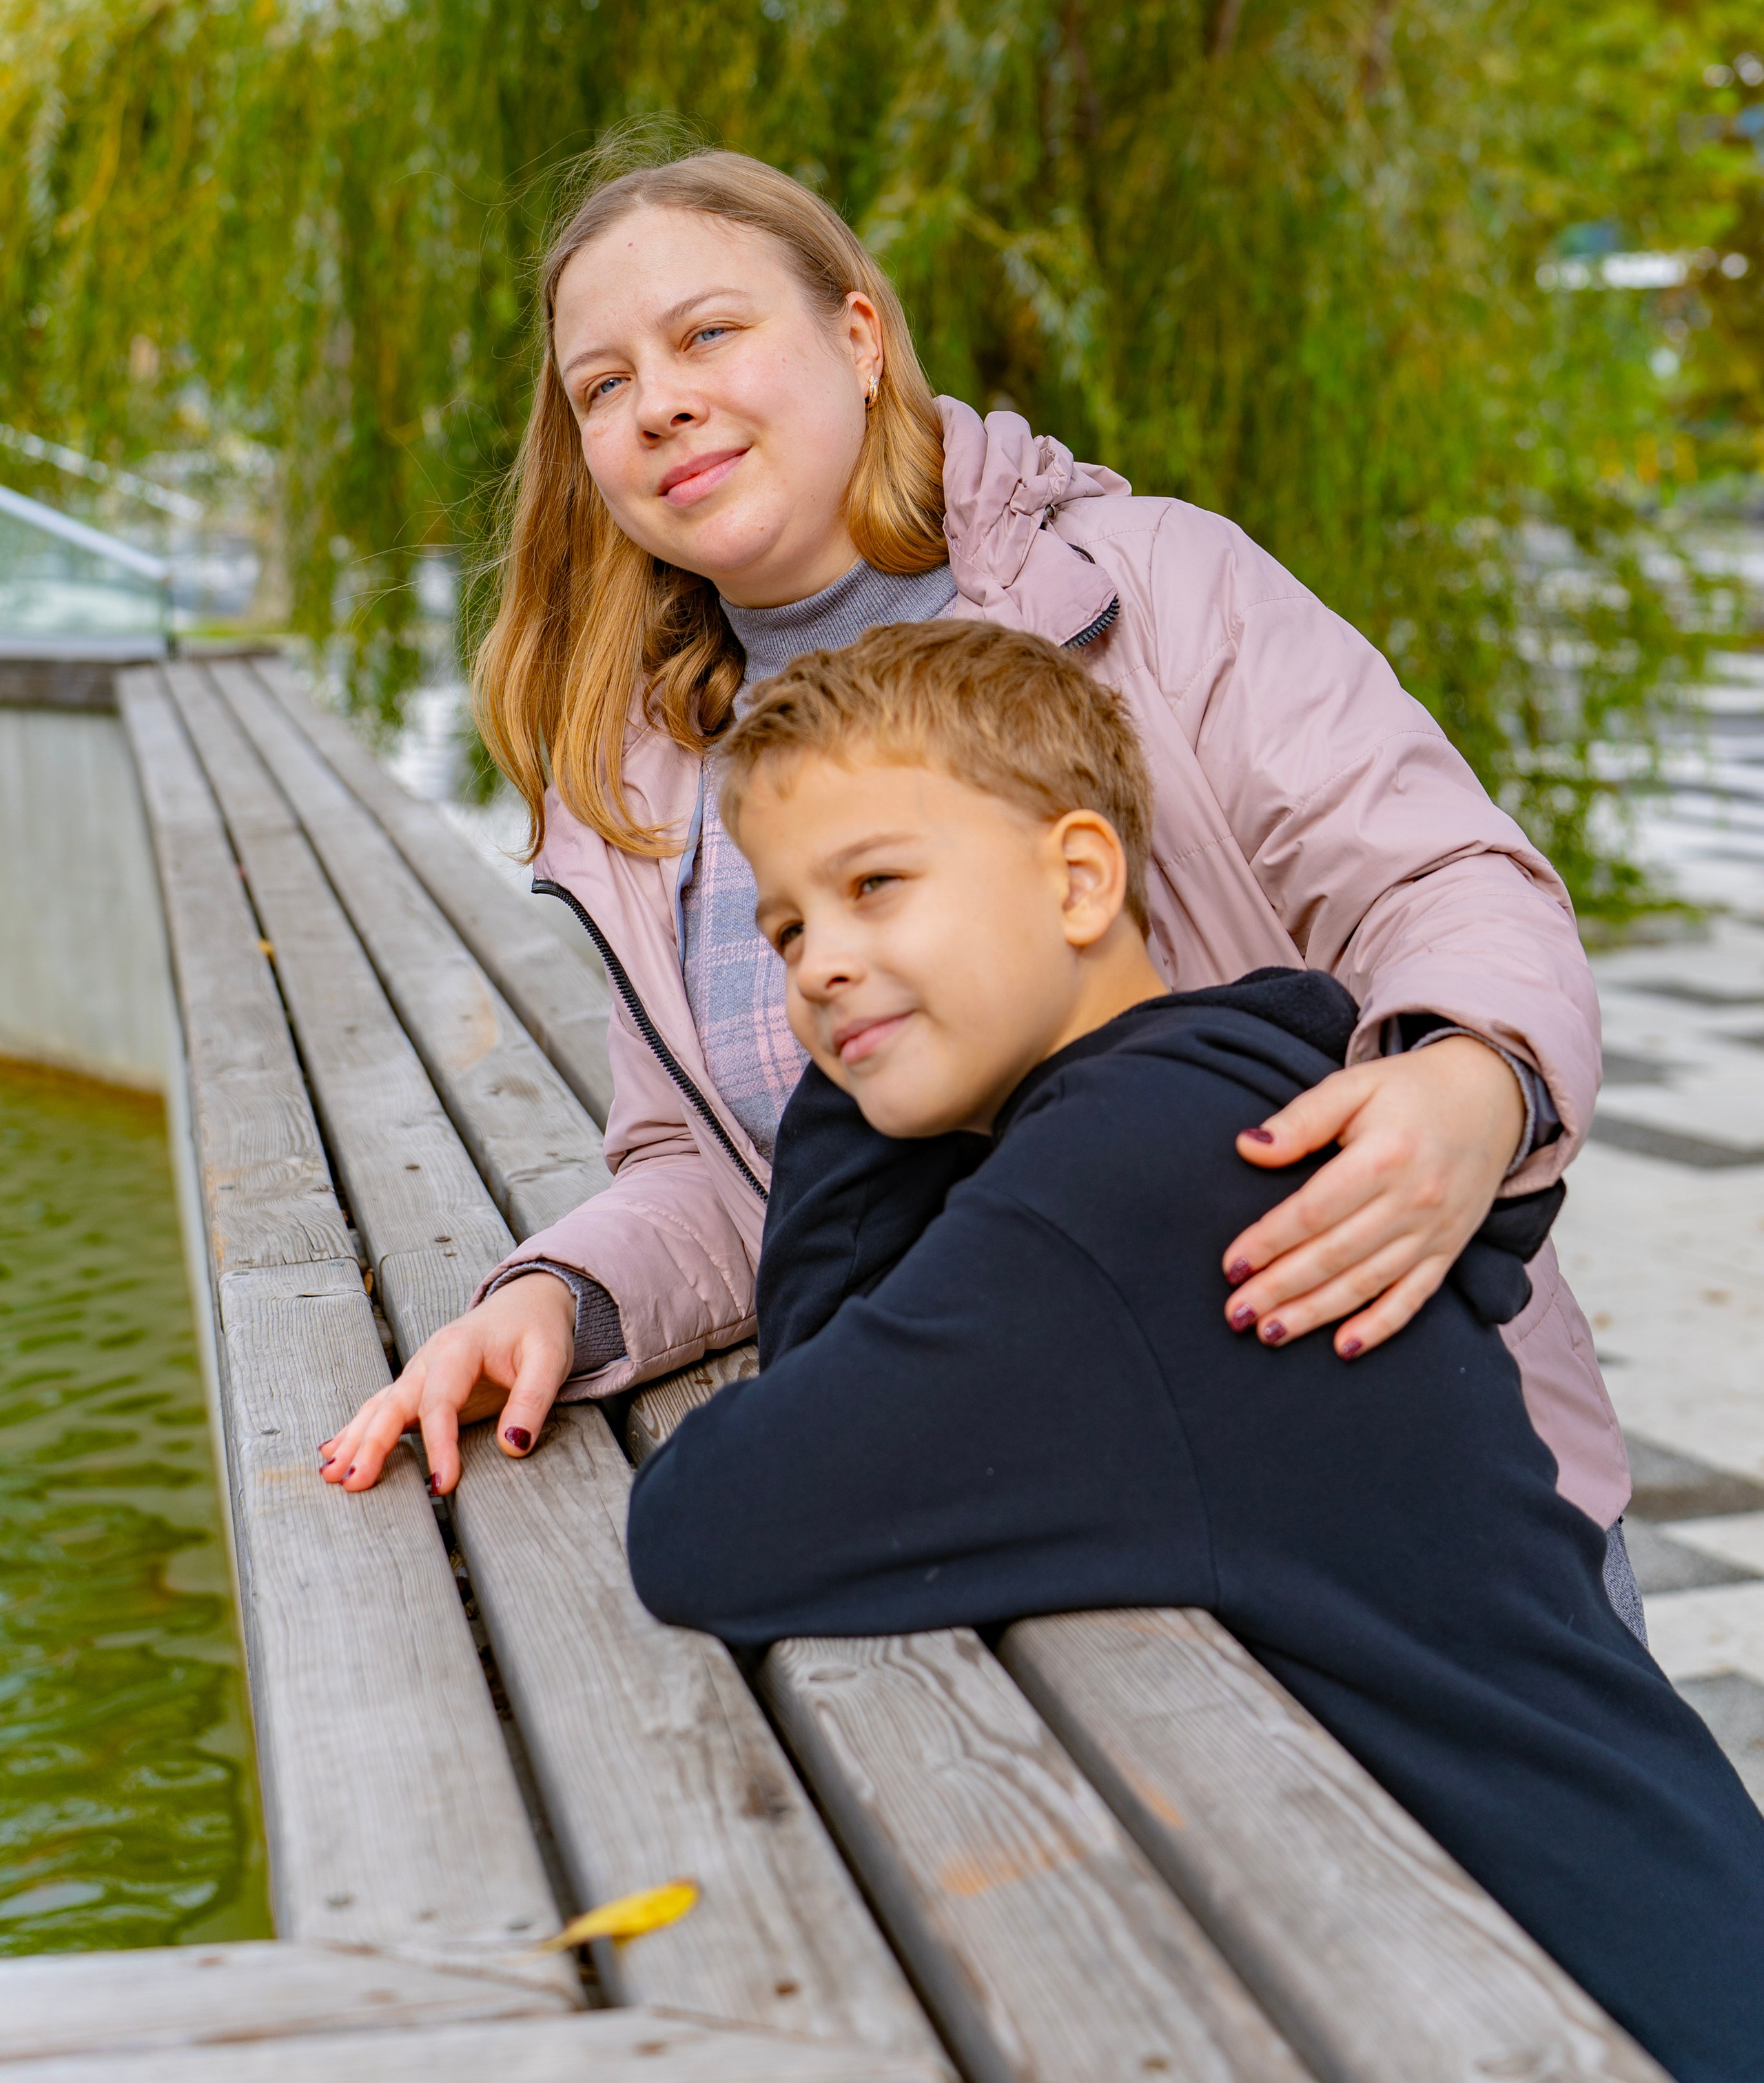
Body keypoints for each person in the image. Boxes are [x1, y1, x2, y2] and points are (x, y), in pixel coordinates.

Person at [318, 143, 1630, 1621]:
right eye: (600, 386)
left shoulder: (1148, 588)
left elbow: (1448, 882)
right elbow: (711, 1172)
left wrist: (1469, 1078)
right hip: (1043, 1543)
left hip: (1363, 1469)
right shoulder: (648, 775)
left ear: (857, 339)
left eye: (706, 335)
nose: (657, 402)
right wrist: (557, 1302)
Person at [625, 624, 1764, 2083]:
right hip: (1548, 1928)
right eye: (787, 932)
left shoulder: (1133, 1185)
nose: (822, 969)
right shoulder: (1172, 1106)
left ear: (1080, 879)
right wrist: (874, 1077)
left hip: (1609, 2001)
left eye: (874, 888)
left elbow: (715, 1524)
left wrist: (858, 1105)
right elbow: (846, 1390)